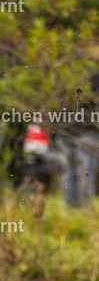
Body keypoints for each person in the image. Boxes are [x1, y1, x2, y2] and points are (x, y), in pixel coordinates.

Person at [52, 74, 99, 207]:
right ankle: (81, 211)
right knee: (84, 173)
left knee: (71, 172)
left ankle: (73, 210)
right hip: (85, 132)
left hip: (67, 131)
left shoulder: (61, 73)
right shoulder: (93, 74)